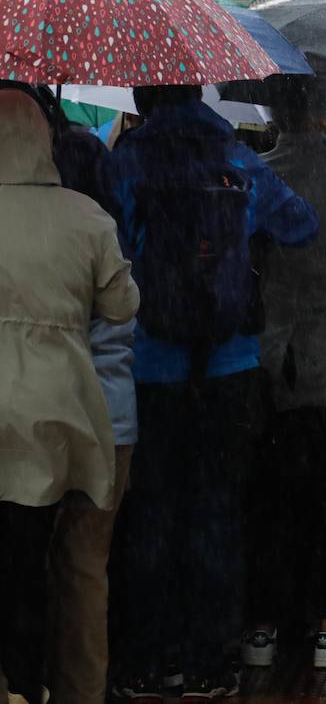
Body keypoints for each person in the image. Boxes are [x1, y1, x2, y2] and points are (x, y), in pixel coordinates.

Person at [105, 84, 318, 700]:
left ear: (142, 101)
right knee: (216, 511)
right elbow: (301, 226)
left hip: (151, 366)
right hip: (230, 364)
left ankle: (148, 659)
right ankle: (205, 662)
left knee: (153, 509)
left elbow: (111, 245)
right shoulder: (239, 160)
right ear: (202, 93)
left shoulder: (128, 161)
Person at [0, 86, 139, 704]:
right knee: (54, 568)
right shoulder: (87, 218)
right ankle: (54, 687)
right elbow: (121, 306)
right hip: (62, 424)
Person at [241, 101, 326, 670]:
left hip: (268, 355)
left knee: (271, 494)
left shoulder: (252, 171)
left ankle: (263, 627)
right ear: (324, 113)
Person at [46, 124, 140, 704]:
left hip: (46, 419)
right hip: (113, 422)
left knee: (32, 564)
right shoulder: (104, 230)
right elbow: (125, 315)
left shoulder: (25, 233)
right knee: (87, 569)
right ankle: (87, 687)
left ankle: (39, 683)